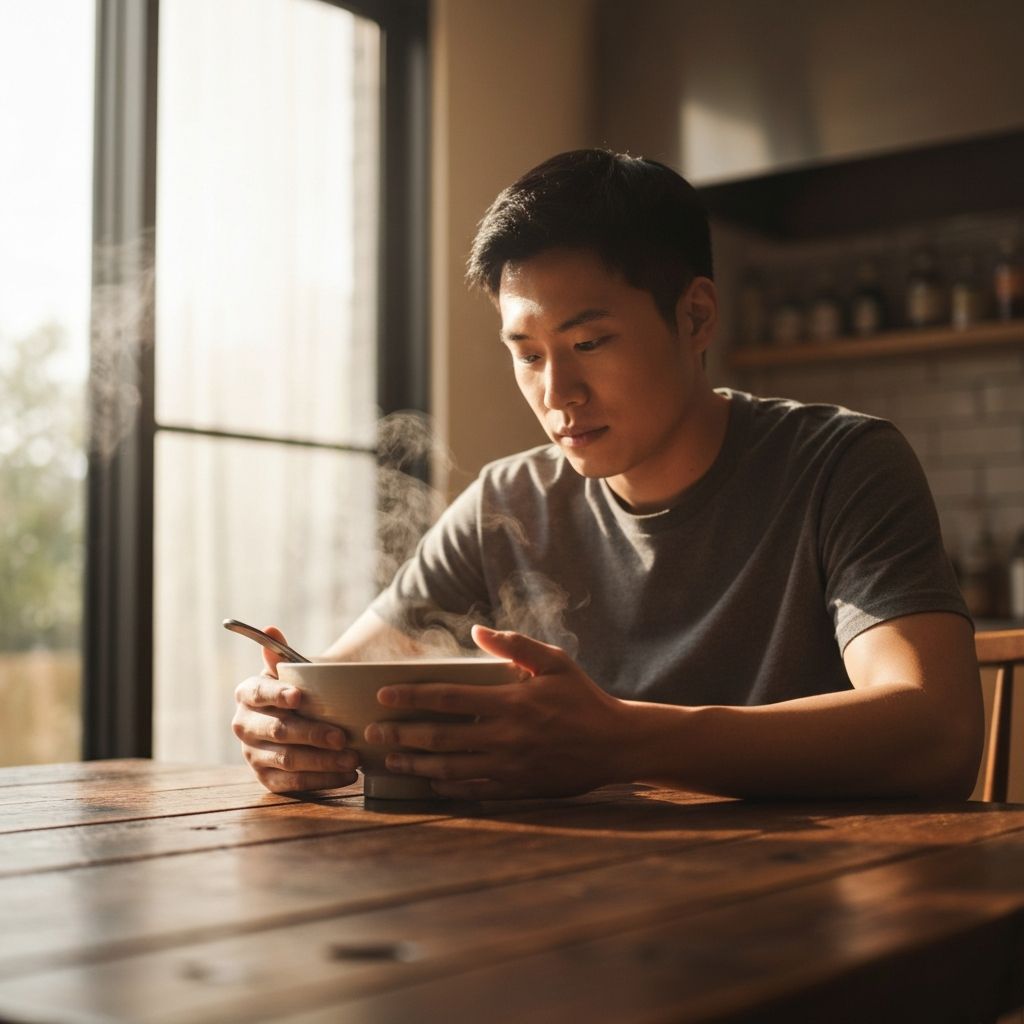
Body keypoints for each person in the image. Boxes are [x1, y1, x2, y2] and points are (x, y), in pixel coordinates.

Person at [232, 149, 983, 801]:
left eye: (589, 341)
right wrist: (291, 723)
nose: (556, 393)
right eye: (527, 354)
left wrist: (625, 740)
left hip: (805, 911)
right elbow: (344, 677)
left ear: (695, 318)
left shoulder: (839, 465)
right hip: (571, 914)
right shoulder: (509, 501)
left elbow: (936, 731)